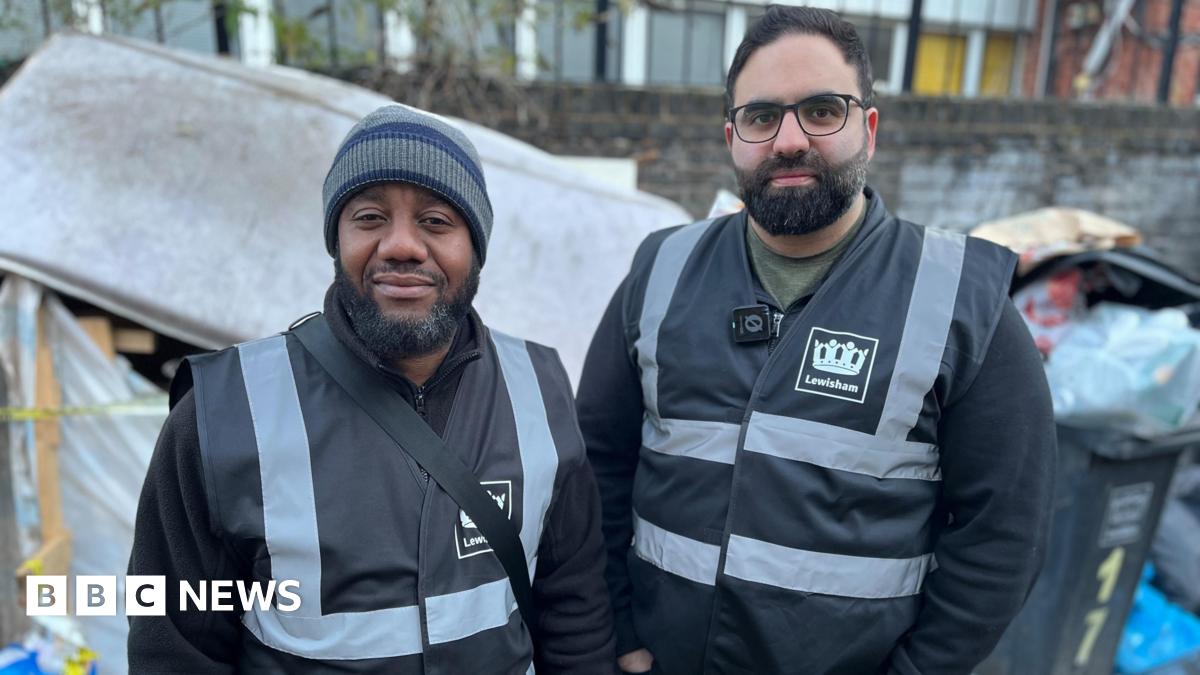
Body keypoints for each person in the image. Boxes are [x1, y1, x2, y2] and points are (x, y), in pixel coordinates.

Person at [577, 6, 1057, 674]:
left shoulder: (958, 299)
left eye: (823, 110)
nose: (789, 139)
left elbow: (1004, 533)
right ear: (731, 136)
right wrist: (621, 633)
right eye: (761, 116)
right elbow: (595, 468)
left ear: (870, 128)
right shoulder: (660, 270)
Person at [128, 104, 615, 673]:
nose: (401, 246)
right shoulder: (223, 414)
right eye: (368, 217)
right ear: (336, 239)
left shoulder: (542, 390)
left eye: (436, 221)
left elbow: (576, 609)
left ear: (475, 248)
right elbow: (174, 647)